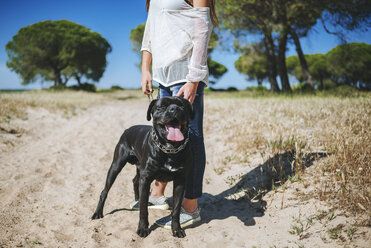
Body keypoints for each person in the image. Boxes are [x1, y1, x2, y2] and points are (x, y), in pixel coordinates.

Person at [131, 0, 218, 228]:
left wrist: (193, 79)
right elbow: (150, 32)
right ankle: (158, 193)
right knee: (164, 136)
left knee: (192, 136)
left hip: (185, 72)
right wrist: (145, 69)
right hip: (163, 75)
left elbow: (202, 30)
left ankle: (190, 206)